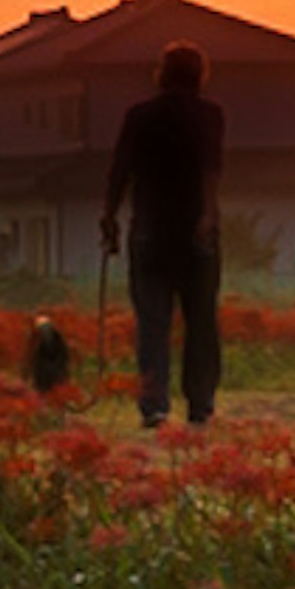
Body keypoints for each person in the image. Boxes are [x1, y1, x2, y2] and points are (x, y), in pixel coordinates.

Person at [100, 38, 223, 430]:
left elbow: (120, 170)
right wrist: (206, 216)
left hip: (149, 229)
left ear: (162, 74)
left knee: (153, 322)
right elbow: (210, 169)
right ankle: (200, 402)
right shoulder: (210, 114)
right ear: (199, 76)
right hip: (196, 232)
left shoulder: (139, 116)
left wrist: (109, 216)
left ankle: (154, 402)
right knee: (200, 321)